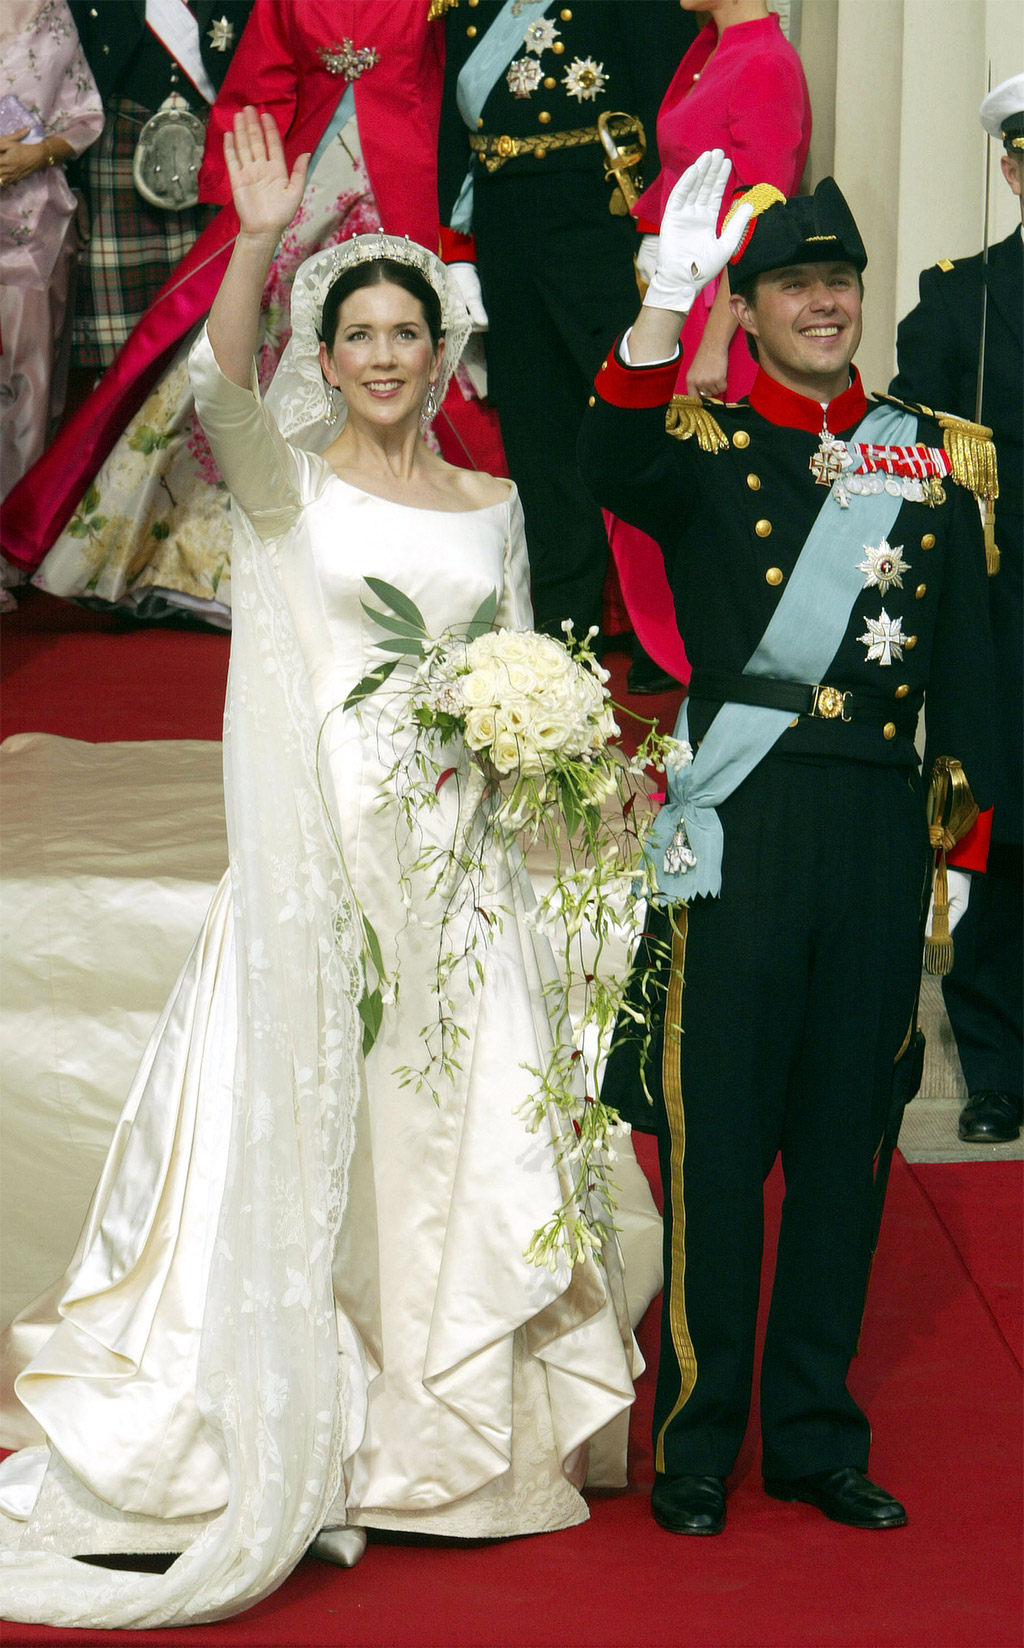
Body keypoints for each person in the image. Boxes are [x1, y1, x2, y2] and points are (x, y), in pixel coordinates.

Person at [0, 108, 637, 1630]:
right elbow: (217, 388)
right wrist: (262, 241)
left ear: (441, 349)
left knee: (443, 1146)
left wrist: (560, 763)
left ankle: (438, 1447)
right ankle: (300, 1420)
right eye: (358, 334)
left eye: (406, 332)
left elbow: (516, 662)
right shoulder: (289, 484)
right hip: (320, 857)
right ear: (330, 350)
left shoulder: (496, 507)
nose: (383, 356)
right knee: (314, 1139)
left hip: (459, 867)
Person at [579, 150, 996, 1537]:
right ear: (747, 309)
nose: (825, 304)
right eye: (794, 285)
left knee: (843, 1139)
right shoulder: (697, 444)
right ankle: (697, 1438)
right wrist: (658, 305)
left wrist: (964, 847)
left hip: (877, 827)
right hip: (742, 821)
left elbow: (978, 669)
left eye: (840, 282)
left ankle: (815, 1433)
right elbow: (603, 456)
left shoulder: (932, 454)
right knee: (717, 1135)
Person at [2, 0, 494, 625]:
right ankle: (207, 564)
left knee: (412, 349)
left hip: (413, 171)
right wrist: (235, 183)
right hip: (304, 170)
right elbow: (262, 80)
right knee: (247, 344)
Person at [437, 0, 695, 653]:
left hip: (599, 219)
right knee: (538, 435)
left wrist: (656, 223)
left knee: (638, 424)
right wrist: (456, 248)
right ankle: (564, 637)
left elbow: (666, 95)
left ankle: (672, 628)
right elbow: (451, 116)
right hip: (505, 224)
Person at [890, 72, 1022, 1144]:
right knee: (1008, 845)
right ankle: (998, 1068)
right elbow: (914, 468)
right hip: (1004, 622)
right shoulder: (956, 303)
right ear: (1011, 168)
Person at [607, 0, 812, 689]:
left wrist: (716, 342)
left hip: (720, 314)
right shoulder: (709, 48)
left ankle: (715, 661)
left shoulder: (765, 63)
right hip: (675, 294)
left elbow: (760, 209)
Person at [66, 0, 253, 372]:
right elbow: (65, 67)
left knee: (218, 335)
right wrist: (72, 185)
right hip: (116, 141)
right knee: (120, 350)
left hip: (218, 149)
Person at [0, 0, 103, 517]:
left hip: (31, 228)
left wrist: (38, 155)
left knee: (30, 389)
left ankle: (11, 549)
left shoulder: (50, 10)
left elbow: (86, 113)